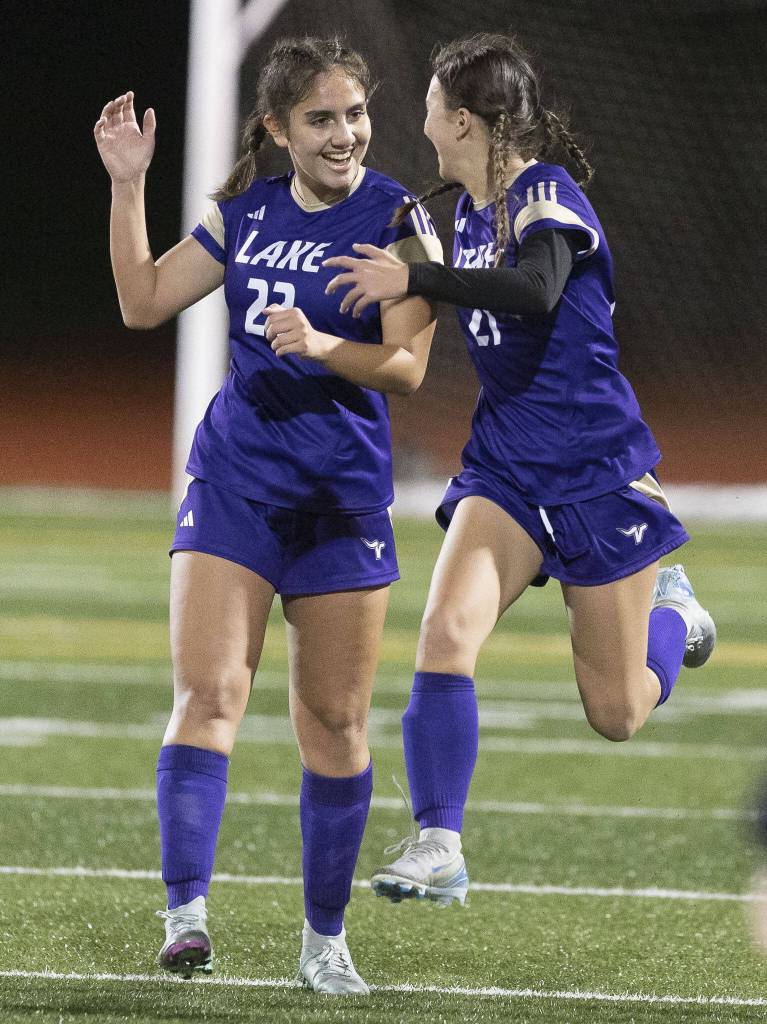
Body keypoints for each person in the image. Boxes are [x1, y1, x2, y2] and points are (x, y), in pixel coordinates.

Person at [324, 31, 716, 907]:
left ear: (460, 118)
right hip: (504, 468)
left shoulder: (543, 192)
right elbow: (425, 291)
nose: (418, 115)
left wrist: (424, 279)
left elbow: (537, 288)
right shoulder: (457, 210)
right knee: (443, 635)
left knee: (615, 714)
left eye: (428, 101)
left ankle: (675, 621)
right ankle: (437, 840)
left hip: (592, 471)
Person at [94, 36, 440, 993]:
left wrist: (326, 344)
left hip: (340, 500)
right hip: (237, 483)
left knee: (333, 724)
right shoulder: (241, 213)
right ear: (278, 129)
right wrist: (128, 184)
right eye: (322, 119)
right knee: (207, 698)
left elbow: (409, 370)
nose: (345, 134)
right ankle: (186, 916)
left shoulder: (399, 217)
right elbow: (141, 301)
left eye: (356, 114)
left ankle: (323, 942)